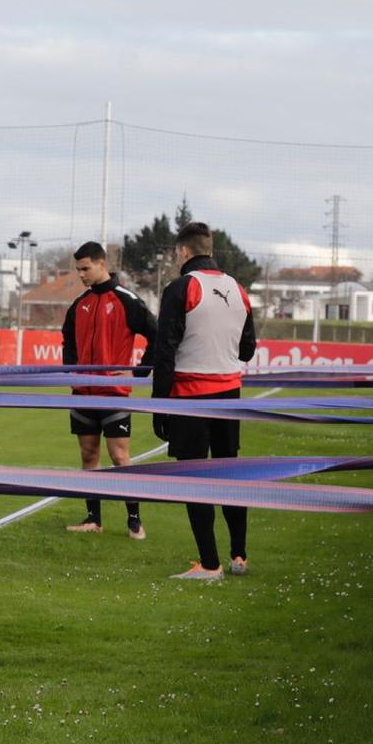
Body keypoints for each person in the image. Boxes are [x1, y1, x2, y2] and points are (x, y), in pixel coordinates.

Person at [150, 222, 257, 582]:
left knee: (193, 478)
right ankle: (239, 555)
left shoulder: (181, 288)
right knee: (230, 473)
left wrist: (159, 405)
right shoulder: (238, 288)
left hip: (190, 397)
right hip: (230, 396)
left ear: (182, 251)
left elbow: (163, 351)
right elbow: (248, 349)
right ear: (210, 248)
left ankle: (209, 564)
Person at [61, 241, 156, 538]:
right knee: (88, 455)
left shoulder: (126, 300)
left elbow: (157, 334)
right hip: (82, 394)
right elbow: (69, 344)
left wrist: (138, 371)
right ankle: (93, 519)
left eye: (86, 268)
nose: (81, 274)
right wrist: (72, 372)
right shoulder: (79, 304)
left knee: (119, 457)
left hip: (114, 394)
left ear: (102, 264)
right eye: (78, 269)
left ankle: (134, 520)